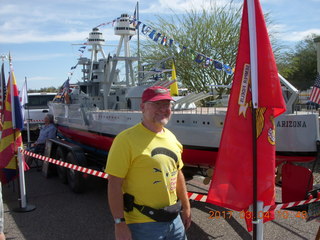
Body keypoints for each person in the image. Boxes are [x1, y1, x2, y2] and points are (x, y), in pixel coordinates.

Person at [106, 86, 191, 240]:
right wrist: (119, 223)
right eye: (156, 104)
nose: (163, 109)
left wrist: (186, 207)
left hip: (174, 220)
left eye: (166, 104)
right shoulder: (126, 140)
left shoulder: (172, 138)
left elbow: (178, 174)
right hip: (143, 225)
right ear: (143, 107)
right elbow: (114, 183)